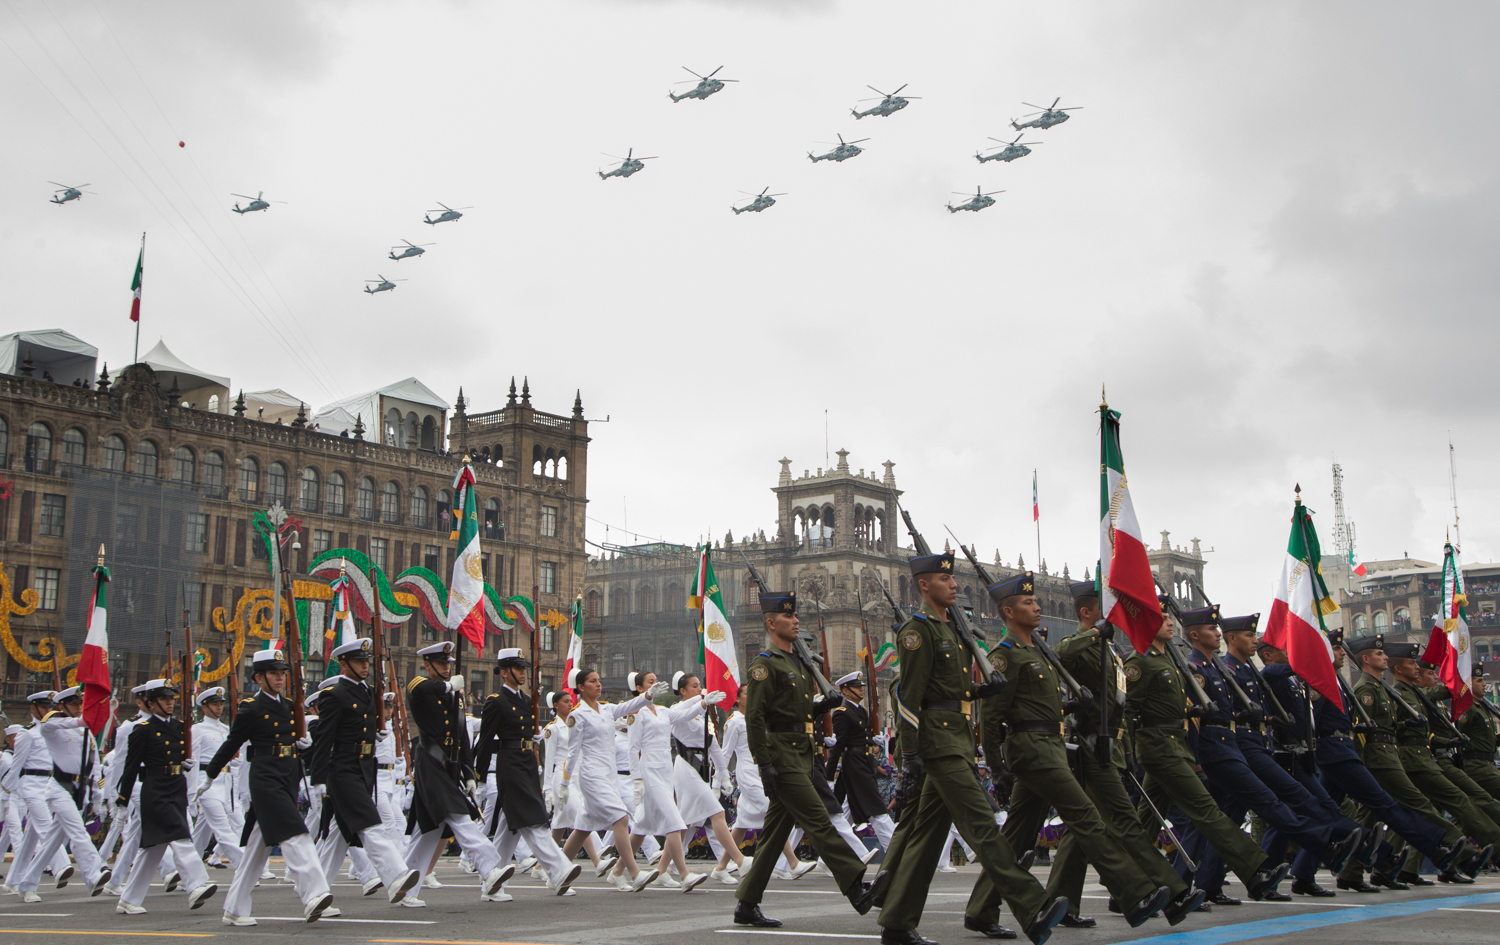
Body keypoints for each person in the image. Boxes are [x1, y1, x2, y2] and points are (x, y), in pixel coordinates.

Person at [965, 573, 1172, 939]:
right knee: (1086, 816)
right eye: (1028, 603)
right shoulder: (1005, 656)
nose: (1037, 606)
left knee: (1016, 835)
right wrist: (997, 768)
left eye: (1036, 601)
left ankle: (981, 909)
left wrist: (1068, 705)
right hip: (1031, 751)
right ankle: (1135, 894)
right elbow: (993, 717)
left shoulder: (1036, 652)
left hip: (1051, 747)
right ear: (1009, 612)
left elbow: (1040, 706)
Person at [1178, 606, 1359, 904]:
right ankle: (1326, 843)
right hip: (1220, 750)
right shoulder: (1200, 668)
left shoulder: (1220, 669)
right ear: (1197, 635)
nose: (1218, 634)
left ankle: (1204, 884)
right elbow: (1194, 718)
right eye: (1249, 635)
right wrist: (1194, 756)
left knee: (1217, 820)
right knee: (1268, 801)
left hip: (1234, 747)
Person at [734, 587, 886, 932]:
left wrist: (823, 705)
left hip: (803, 753)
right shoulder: (765, 665)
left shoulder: (797, 662)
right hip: (782, 754)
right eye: (788, 616)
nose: (795, 619)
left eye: (795, 614)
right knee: (820, 820)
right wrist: (765, 764)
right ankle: (856, 886)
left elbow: (796, 710)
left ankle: (746, 903)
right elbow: (755, 718)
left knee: (774, 835)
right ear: (771, 623)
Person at [1125, 606, 1289, 905]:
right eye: (1161, 619)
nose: (1169, 623)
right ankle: (1255, 870)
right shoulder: (1141, 662)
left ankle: (1128, 886)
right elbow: (1127, 711)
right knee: (1206, 810)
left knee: (1145, 823)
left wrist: (1193, 716)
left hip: (1177, 746)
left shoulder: (1170, 661)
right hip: (1159, 748)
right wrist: (1125, 753)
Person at [1334, 634, 1488, 891]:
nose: (1384, 657)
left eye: (1385, 654)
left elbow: (1389, 727)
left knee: (1371, 817)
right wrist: (1360, 771)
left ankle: (1351, 873)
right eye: (1379, 654)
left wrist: (1405, 724)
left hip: (1389, 757)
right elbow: (1359, 733)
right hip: (1379, 761)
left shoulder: (1381, 687)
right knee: (1418, 805)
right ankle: (1464, 852)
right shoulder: (1366, 689)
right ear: (1366, 659)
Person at [201, 647, 334, 926]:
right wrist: (210, 775)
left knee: (256, 849)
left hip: (287, 778)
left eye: (282, 673)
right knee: (294, 832)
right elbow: (231, 744)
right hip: (265, 779)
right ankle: (314, 893)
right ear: (259, 677)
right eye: (274, 673)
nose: (280, 678)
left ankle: (235, 908)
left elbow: (299, 745)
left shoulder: (289, 707)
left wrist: (313, 764)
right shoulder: (252, 708)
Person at [309, 639, 422, 905]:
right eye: (358, 661)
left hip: (363, 768)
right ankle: (396, 877)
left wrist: (376, 732)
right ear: (344, 664)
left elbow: (363, 726)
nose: (364, 665)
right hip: (341, 768)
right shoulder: (333, 695)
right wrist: (318, 779)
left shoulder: (369, 692)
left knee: (338, 835)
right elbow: (324, 739)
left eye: (366, 661)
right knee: (370, 823)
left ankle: (315, 893)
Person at [402, 641, 512, 900]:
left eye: (447, 664)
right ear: (427, 664)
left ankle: (405, 887)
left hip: (449, 768)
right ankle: (490, 868)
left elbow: (462, 737)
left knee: (427, 830)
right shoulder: (421, 687)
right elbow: (421, 687)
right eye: (440, 663)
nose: (445, 667)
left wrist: (469, 773)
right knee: (460, 816)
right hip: (430, 764)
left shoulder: (454, 696)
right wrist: (449, 686)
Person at [475, 648, 582, 896]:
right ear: (504, 673)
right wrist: (479, 777)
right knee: (532, 818)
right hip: (509, 765)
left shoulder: (526, 700)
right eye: (518, 669)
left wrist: (531, 740)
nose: (523, 673)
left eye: (524, 668)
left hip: (526, 764)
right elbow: (485, 741)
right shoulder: (496, 701)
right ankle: (558, 870)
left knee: (509, 826)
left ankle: (491, 884)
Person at [112, 679, 218, 914]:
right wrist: (122, 800)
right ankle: (197, 883)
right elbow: (129, 769)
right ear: (150, 704)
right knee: (180, 835)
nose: (170, 703)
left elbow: (181, 758)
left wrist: (187, 765)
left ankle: (128, 899)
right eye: (164, 699)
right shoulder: (142, 730)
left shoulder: (180, 728)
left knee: (153, 848)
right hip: (156, 789)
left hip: (175, 786)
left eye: (171, 699)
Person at [559, 668, 665, 891]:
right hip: (591, 775)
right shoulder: (577, 715)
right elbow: (572, 753)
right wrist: (563, 785)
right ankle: (634, 873)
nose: (598, 685)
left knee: (583, 827)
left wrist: (647, 695)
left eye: (599, 680)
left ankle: (556, 871)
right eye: (592, 681)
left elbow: (629, 706)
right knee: (621, 818)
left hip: (608, 775)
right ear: (580, 687)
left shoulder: (607, 709)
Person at [8, 686, 112, 900]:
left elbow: (92, 765)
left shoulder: (84, 731)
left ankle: (26, 884)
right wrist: (85, 719)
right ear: (61, 706)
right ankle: (95, 871)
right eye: (73, 704)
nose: (77, 708)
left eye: (79, 704)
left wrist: (97, 796)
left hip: (79, 790)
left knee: (52, 842)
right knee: (78, 831)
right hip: (58, 789)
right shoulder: (51, 726)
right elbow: (52, 723)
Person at [617, 670, 711, 892]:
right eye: (650, 682)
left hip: (665, 770)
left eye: (656, 681)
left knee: (640, 826)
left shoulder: (662, 711)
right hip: (648, 770)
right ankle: (685, 874)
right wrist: (637, 779)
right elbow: (633, 748)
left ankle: (617, 872)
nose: (656, 684)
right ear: (640, 689)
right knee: (674, 820)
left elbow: (683, 716)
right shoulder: (636, 712)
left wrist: (704, 703)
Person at [668, 671, 748, 877]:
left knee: (686, 822)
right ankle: (738, 860)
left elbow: (712, 743)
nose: (698, 688)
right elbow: (680, 715)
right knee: (717, 813)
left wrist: (722, 775)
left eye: (699, 685)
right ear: (683, 691)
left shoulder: (701, 713)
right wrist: (702, 701)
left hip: (701, 768)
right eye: (694, 686)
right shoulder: (676, 709)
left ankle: (665, 865)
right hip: (686, 766)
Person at [829, 671, 896, 852]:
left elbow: (863, 737)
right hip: (855, 763)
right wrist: (829, 773)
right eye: (856, 687)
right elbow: (839, 745)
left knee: (846, 812)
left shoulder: (862, 711)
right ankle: (894, 851)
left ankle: (828, 858)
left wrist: (874, 740)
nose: (861, 690)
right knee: (876, 808)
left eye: (861, 687)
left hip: (865, 762)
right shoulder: (842, 713)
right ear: (845, 691)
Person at [189, 688, 244, 871]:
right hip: (206, 784)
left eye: (220, 703)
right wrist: (191, 793)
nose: (219, 707)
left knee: (201, 833)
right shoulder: (197, 729)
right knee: (223, 828)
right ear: (204, 708)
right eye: (214, 704)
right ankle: (245, 867)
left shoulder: (226, 729)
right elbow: (193, 762)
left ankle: (188, 871)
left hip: (225, 782)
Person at [1458, 666, 1500, 800]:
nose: (1484, 684)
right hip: (1477, 767)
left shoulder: (1483, 707)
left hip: (1488, 765)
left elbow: (1486, 740)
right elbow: (1459, 735)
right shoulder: (1468, 707)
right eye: (1479, 681)